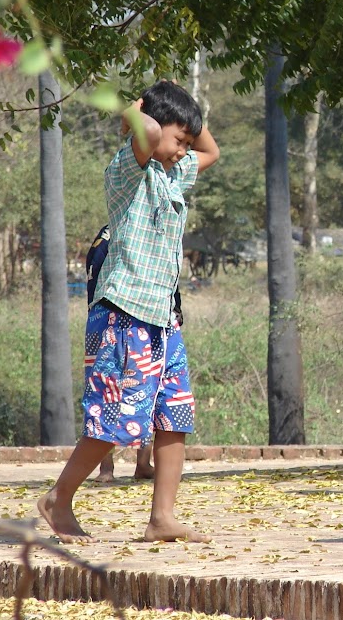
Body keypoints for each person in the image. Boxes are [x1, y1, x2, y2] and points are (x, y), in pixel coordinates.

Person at [38, 80, 219, 544]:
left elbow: (210, 149)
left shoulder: (175, 174)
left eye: (184, 142)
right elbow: (151, 131)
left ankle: (162, 518)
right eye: (177, 141)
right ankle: (58, 499)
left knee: (173, 416)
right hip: (124, 314)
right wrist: (135, 111)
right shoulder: (127, 170)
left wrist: (182, 113)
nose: (182, 150)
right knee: (115, 418)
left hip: (163, 318)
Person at [83, 224, 181, 483]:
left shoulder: (152, 230)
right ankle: (111, 469)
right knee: (115, 392)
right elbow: (95, 274)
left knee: (142, 391)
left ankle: (139, 465)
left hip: (130, 316)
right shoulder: (119, 233)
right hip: (118, 318)